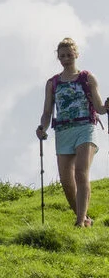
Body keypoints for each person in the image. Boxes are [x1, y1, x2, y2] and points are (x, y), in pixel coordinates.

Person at [36, 38, 106, 228]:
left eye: (69, 55)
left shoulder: (87, 78)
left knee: (81, 173)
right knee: (67, 183)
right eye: (62, 56)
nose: (66, 59)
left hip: (85, 128)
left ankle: (79, 222)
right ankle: (85, 218)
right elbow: (47, 112)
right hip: (63, 131)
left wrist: (106, 107)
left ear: (76, 55)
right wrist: (42, 128)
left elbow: (99, 108)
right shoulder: (52, 83)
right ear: (58, 58)